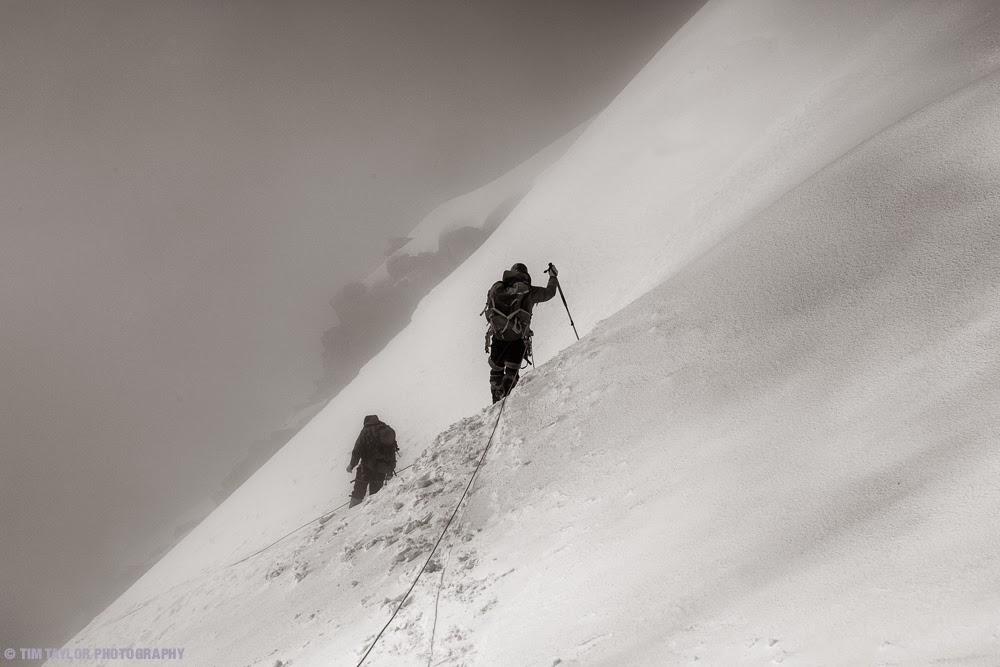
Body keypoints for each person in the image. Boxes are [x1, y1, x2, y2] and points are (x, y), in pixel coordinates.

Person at [483, 262, 558, 403]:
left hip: (499, 336)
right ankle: (507, 399)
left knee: (496, 370)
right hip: (517, 338)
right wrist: (553, 277)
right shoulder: (528, 291)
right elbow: (549, 293)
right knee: (512, 372)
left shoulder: (498, 288)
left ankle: (496, 396)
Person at [346, 414, 398, 508]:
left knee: (358, 493)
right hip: (381, 470)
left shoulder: (366, 430)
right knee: (375, 497)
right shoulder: (386, 430)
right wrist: (390, 471)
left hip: (366, 468)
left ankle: (352, 515)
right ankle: (372, 515)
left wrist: (351, 465)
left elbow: (357, 449)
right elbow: (391, 452)